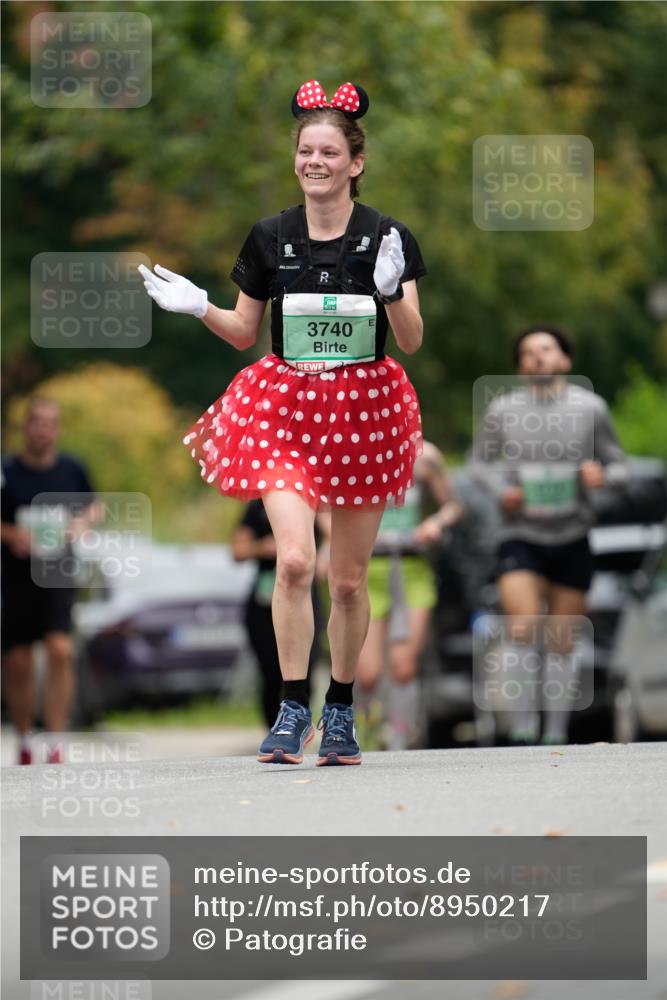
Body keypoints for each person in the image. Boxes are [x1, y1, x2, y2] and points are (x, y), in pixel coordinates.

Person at [139, 79, 426, 765]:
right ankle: (292, 704)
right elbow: (244, 331)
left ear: (355, 162)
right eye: (305, 151)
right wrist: (200, 306)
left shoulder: (387, 236)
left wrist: (390, 291)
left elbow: (412, 341)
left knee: (347, 580)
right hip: (284, 409)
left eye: (329, 152)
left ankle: (340, 710)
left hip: (363, 412)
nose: (314, 162)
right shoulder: (270, 235)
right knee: (295, 561)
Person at [470, 326, 628, 745]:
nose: (537, 356)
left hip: (572, 533)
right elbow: (478, 463)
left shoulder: (591, 408)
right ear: (519, 366)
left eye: (546, 349)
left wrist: (602, 476)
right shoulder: (503, 410)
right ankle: (523, 729)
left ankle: (555, 732)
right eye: (527, 352)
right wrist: (502, 492)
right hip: (520, 533)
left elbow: (620, 467)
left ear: (565, 360)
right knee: (523, 627)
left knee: (561, 639)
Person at [1, 397, 98, 764]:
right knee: (19, 660)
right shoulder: (7, 470)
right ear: (26, 427)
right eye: (37, 422)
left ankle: (56, 741)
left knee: (60, 649)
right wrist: (11, 534)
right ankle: (25, 739)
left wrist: (81, 523)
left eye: (50, 423)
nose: (43, 430)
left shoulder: (72, 469)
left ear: (56, 429)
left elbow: (94, 505)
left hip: (58, 573)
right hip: (16, 576)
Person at [354, 441, 462, 750]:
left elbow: (453, 505)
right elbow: (324, 504)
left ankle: (400, 739)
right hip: (367, 569)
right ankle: (361, 732)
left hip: (411, 568)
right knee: (367, 673)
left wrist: (434, 523)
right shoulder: (354, 447)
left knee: (404, 666)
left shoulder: (425, 455)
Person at [231, 498, 325, 728]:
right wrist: (263, 547)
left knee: (307, 667)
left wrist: (323, 558)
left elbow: (333, 534)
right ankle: (275, 728)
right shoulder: (258, 504)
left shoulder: (313, 498)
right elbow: (238, 550)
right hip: (264, 602)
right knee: (271, 673)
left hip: (306, 598)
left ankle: (299, 723)